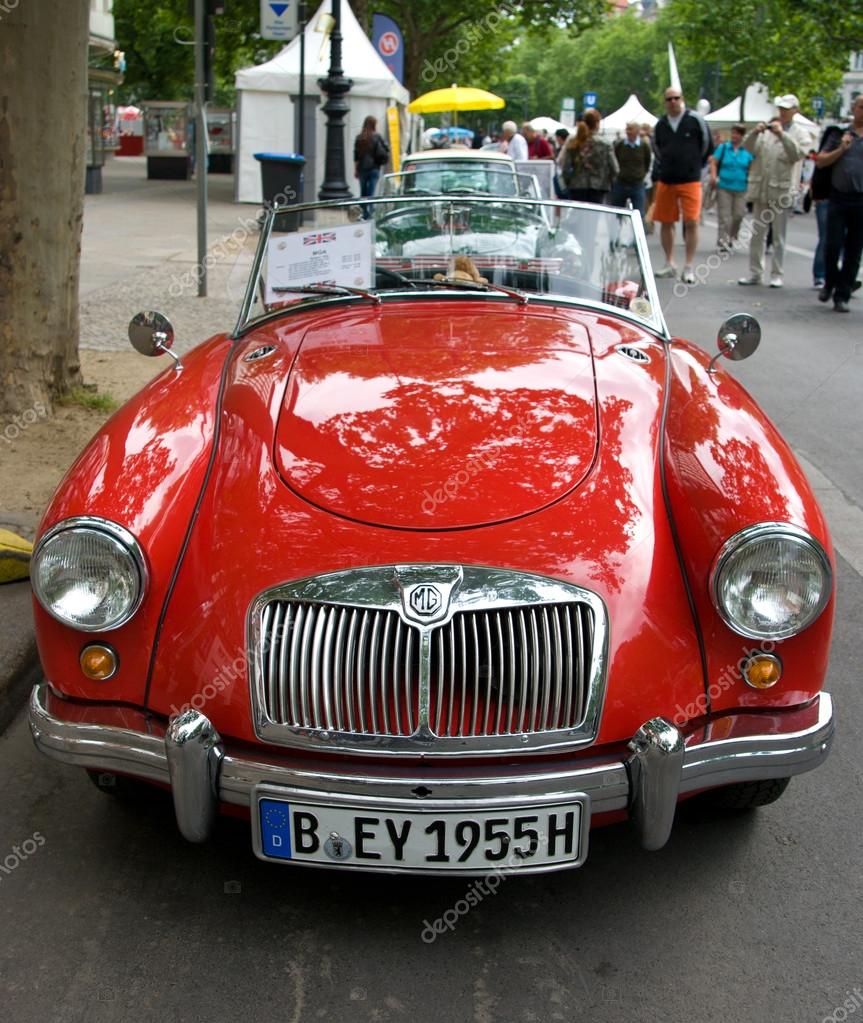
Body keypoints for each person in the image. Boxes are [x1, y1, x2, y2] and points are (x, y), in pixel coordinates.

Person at [737, 94, 811, 288]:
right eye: (781, 108)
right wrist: (755, 132)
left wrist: (782, 135)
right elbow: (748, 147)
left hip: (782, 193)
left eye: (787, 109)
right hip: (762, 190)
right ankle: (755, 272)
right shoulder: (768, 131)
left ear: (795, 110)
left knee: (778, 237)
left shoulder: (801, 133)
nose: (782, 112)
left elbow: (797, 154)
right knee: (757, 235)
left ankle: (777, 274)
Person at [652, 87, 714, 284]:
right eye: (669, 99)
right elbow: (657, 149)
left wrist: (694, 165)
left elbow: (707, 146)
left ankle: (688, 265)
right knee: (665, 221)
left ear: (682, 99)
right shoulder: (661, 124)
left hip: (690, 179)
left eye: (676, 98)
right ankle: (669, 262)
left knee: (692, 221)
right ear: (665, 102)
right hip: (667, 178)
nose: (673, 102)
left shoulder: (695, 120)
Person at [816, 94, 863, 312]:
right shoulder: (839, 134)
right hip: (838, 197)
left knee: (854, 250)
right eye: (861, 107)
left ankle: (842, 294)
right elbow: (821, 160)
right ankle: (830, 282)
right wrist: (842, 149)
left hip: (860, 200)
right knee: (832, 245)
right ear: (854, 108)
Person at [709, 124, 754, 251]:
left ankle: (732, 236)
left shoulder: (747, 151)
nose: (734, 136)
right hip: (724, 186)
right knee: (724, 216)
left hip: (741, 187)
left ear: (742, 135)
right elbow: (714, 162)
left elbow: (752, 167)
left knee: (738, 215)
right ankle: (723, 241)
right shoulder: (724, 148)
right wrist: (714, 176)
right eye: (733, 133)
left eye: (737, 133)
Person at [561, 108, 617, 204]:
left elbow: (565, 167)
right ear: (597, 123)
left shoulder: (573, 141)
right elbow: (614, 168)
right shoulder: (605, 144)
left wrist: (568, 182)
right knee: (594, 216)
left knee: (578, 216)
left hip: (577, 186)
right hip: (598, 187)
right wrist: (609, 182)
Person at [610, 121, 651, 217]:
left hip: (637, 184)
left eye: (630, 129)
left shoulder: (643, 146)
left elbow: (647, 162)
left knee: (639, 213)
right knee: (616, 213)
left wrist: (641, 174)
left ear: (637, 131)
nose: (628, 132)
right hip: (621, 182)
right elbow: (615, 160)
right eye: (627, 129)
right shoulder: (619, 145)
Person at [353, 116, 389, 216]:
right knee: (371, 192)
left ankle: (363, 212)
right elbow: (385, 150)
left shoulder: (360, 137)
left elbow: (356, 156)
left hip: (362, 168)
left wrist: (355, 169)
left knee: (363, 192)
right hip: (374, 168)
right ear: (374, 125)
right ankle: (369, 213)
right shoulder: (377, 137)